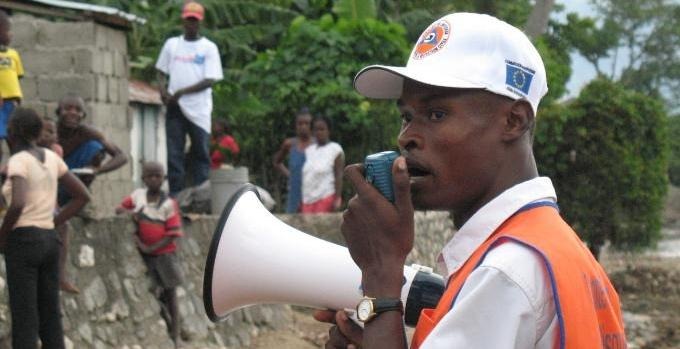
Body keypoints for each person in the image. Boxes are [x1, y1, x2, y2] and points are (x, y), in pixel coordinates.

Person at [315, 13, 626, 348]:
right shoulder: (552, 248)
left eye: (436, 114)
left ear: (513, 121)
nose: (406, 137)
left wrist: (381, 273)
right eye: (406, 117)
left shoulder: (506, 272)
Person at [0, 107, 90, 349]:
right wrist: (52, 223)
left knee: (25, 316)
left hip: (23, 241)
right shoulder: (51, 158)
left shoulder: (19, 160)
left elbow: (18, 202)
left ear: (12, 132)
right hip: (50, 241)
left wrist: (2, 236)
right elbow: (82, 195)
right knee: (50, 314)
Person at [155, 1, 224, 197]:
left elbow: (209, 80)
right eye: (188, 20)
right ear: (183, 21)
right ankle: (176, 194)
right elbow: (160, 71)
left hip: (199, 108)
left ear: (199, 23)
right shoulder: (172, 44)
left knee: (200, 152)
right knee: (174, 152)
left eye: (194, 21)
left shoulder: (208, 47)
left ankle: (201, 194)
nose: (191, 24)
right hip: (175, 107)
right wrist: (162, 91)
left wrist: (182, 92)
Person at [116, 161, 184, 348]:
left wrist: (149, 249)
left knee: (171, 295)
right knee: (155, 292)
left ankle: (176, 336)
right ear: (143, 178)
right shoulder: (138, 197)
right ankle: (169, 326)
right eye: (150, 175)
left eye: (158, 175)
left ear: (164, 179)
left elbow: (172, 234)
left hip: (165, 256)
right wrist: (132, 212)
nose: (154, 179)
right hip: (147, 257)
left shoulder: (169, 204)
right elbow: (119, 209)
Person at [56, 93, 128, 207]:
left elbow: (121, 156)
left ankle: (75, 202)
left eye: (78, 110)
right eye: (68, 109)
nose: (73, 113)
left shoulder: (87, 132)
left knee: (95, 147)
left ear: (83, 116)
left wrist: (97, 170)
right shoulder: (50, 131)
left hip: (73, 178)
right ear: (58, 112)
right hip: (51, 180)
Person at [37, 117, 81, 293]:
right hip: (32, 201)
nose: (47, 135)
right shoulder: (28, 151)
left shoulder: (56, 152)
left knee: (63, 227)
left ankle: (61, 276)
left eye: (51, 132)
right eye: (43, 131)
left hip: (50, 200)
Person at [273, 107, 314, 213]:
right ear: (296, 125)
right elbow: (277, 162)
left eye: (306, 123)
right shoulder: (290, 144)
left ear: (311, 125)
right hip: (294, 191)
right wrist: (289, 175)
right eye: (300, 124)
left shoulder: (317, 144)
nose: (303, 126)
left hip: (313, 191)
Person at [300, 115, 344, 213]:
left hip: (325, 197)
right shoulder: (309, 150)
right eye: (316, 130)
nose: (319, 132)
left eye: (322, 129)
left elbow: (339, 175)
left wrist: (337, 199)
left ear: (328, 131)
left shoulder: (335, 149)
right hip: (307, 199)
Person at [0, 9, 24, 163]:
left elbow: (16, 77)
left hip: (12, 103)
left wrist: (17, 99)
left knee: (15, 139)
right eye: (8, 30)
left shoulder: (14, 54)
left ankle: (16, 168)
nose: (11, 34)